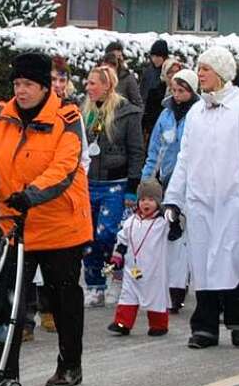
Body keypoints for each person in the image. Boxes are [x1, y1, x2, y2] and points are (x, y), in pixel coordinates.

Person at [0, 51, 92, 386]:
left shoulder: (67, 117)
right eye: (17, 83)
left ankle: (70, 364)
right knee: (9, 302)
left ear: (45, 87)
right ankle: (5, 370)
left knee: (63, 300)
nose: (22, 90)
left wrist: (31, 193)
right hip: (16, 224)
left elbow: (65, 167)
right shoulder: (6, 118)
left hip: (61, 224)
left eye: (28, 84)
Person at [163, 46, 239, 350]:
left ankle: (237, 319)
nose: (200, 74)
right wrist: (173, 198)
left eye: (206, 68)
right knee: (202, 263)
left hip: (233, 201)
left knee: (231, 259)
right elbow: (185, 159)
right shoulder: (198, 112)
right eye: (199, 68)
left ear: (223, 72)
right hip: (201, 202)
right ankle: (205, 327)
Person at [81, 65, 144, 308]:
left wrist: (132, 185)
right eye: (87, 83)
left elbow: (137, 151)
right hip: (88, 183)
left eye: (93, 83)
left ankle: (115, 276)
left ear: (107, 86)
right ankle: (94, 285)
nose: (88, 88)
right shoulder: (84, 112)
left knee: (107, 234)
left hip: (115, 184)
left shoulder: (126, 113)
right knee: (87, 237)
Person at [143, 69, 199, 312]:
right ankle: (167, 288)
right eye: (174, 90)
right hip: (167, 180)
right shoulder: (165, 116)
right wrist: (147, 179)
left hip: (191, 181)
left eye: (182, 91)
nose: (177, 95)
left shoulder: (198, 115)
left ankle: (180, 287)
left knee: (185, 237)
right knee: (169, 233)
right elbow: (155, 148)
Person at [108, 178, 176, 337]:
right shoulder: (130, 222)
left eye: (151, 200)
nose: (146, 203)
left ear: (158, 202)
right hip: (133, 268)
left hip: (154, 270)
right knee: (128, 294)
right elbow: (122, 241)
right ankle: (122, 323)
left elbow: (175, 232)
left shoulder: (162, 223)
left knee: (156, 296)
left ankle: (158, 324)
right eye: (143, 199)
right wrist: (117, 258)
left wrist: (172, 216)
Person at [140, 39, 169, 137]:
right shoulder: (148, 72)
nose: (155, 59)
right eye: (153, 56)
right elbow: (142, 92)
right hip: (147, 115)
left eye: (158, 56)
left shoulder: (168, 72)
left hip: (161, 114)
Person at [102, 41, 143, 107]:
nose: (117, 61)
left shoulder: (127, 78)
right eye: (112, 59)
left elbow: (138, 104)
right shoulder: (99, 77)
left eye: (119, 58)